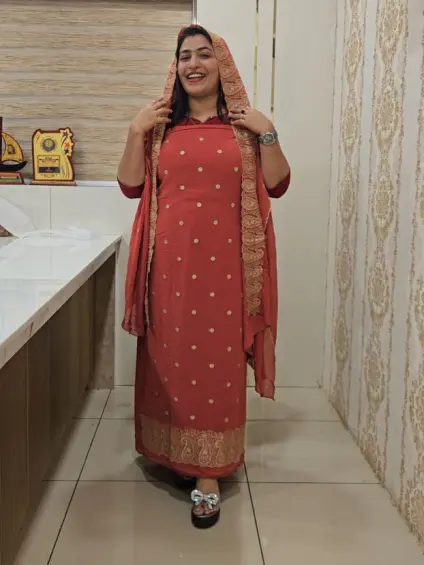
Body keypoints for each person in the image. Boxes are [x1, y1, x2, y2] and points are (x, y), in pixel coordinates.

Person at [117, 24, 290, 529]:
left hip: (225, 271)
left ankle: (209, 474)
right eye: (185, 56)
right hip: (166, 269)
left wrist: (267, 130)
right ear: (176, 67)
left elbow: (277, 184)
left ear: (222, 65)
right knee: (168, 360)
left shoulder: (243, 129)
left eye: (204, 54)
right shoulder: (160, 129)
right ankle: (171, 451)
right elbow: (130, 186)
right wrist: (134, 131)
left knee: (215, 364)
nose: (194, 64)